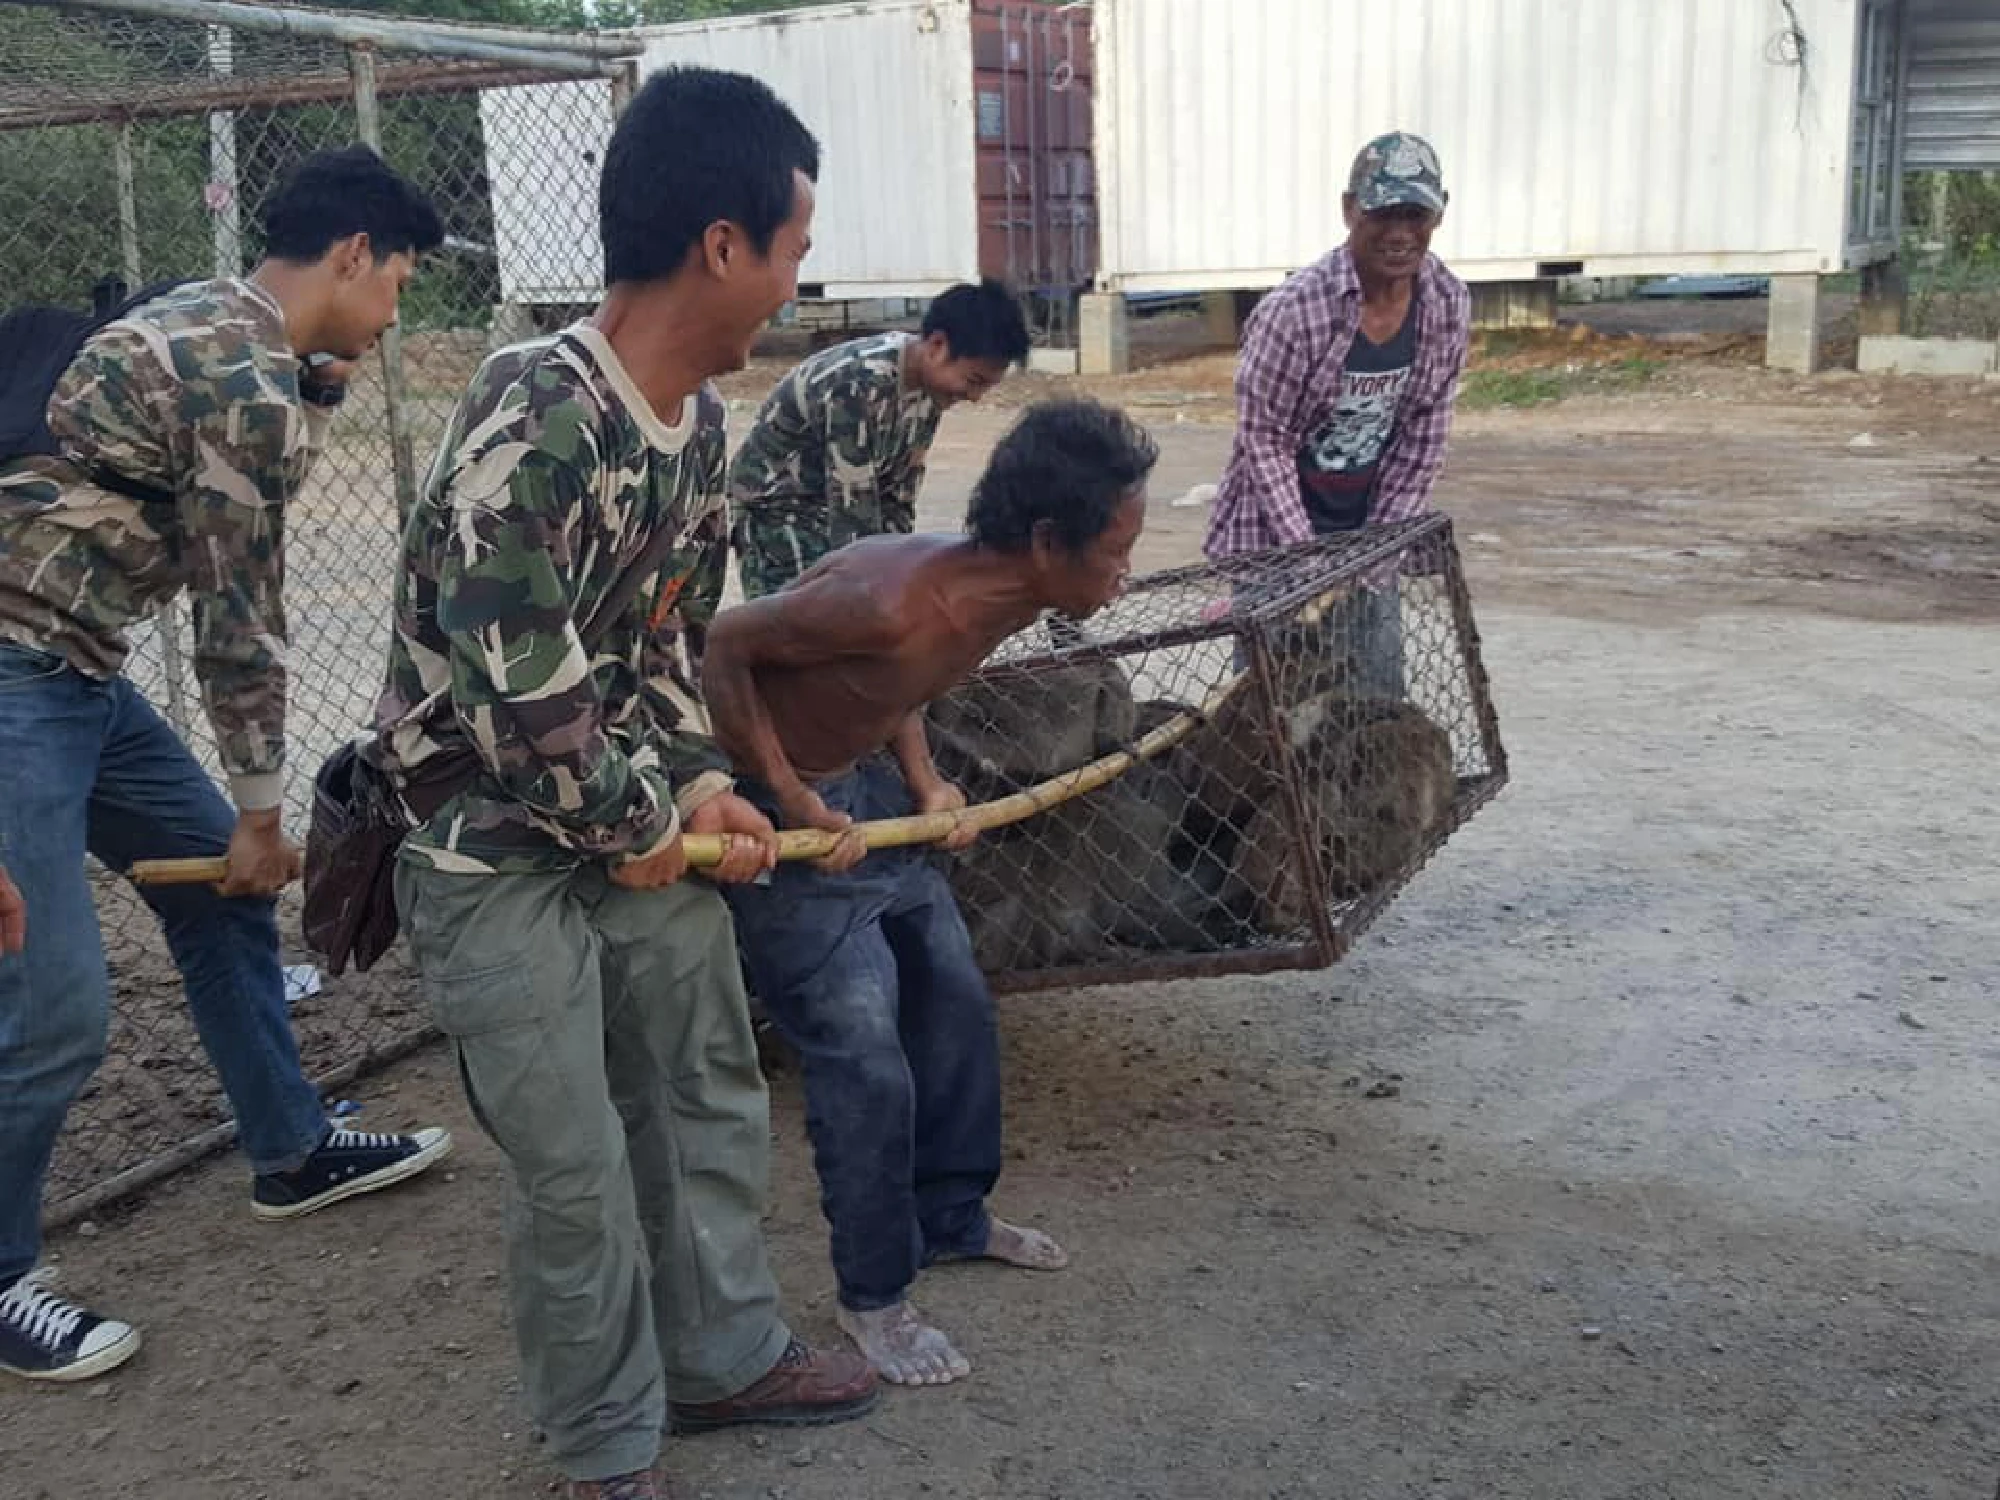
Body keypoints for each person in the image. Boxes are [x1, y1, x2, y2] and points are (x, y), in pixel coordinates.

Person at [373, 68, 877, 1500]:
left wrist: (707, 789)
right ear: (724, 246)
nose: (796, 277)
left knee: (705, 1078)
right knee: (575, 1159)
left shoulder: (699, 431)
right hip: (483, 846)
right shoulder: (537, 408)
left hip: (622, 818)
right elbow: (513, 681)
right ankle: (605, 1446)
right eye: (792, 244)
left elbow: (659, 651)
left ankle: (723, 1359)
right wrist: (646, 819)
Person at [0, 145, 455, 1386]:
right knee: (51, 1007)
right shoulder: (240, 366)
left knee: (215, 902)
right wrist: (262, 813)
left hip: (75, 671)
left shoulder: (221, 323)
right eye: (400, 277)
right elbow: (239, 621)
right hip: (13, 675)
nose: (399, 308)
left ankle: (293, 1147)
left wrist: (326, 384)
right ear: (353, 254)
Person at [702, 397, 1158, 1387]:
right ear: (1046, 540)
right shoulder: (889, 595)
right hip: (782, 818)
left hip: (872, 795)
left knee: (950, 995)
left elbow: (891, 689)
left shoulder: (1000, 599)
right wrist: (790, 802)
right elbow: (726, 645)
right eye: (1113, 554)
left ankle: (950, 1217)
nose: (1123, 575)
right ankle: (873, 1294)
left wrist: (923, 782)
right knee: (863, 1053)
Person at [1204, 130, 1472, 697]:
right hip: (1276, 539)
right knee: (1267, 708)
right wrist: (1309, 559)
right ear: (1349, 210)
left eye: (1414, 213)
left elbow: (1423, 436)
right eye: (1382, 213)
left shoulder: (1448, 302)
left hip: (1365, 533)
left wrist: (1373, 550)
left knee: (1373, 703)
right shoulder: (1294, 311)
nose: (1399, 232)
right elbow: (1265, 440)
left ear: (1439, 213)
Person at [728, 277, 1030, 598]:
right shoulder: (859, 382)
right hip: (776, 505)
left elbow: (898, 497)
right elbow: (852, 514)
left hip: (827, 505)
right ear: (937, 346)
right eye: (973, 381)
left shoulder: (931, 389)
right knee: (801, 621)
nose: (975, 397)